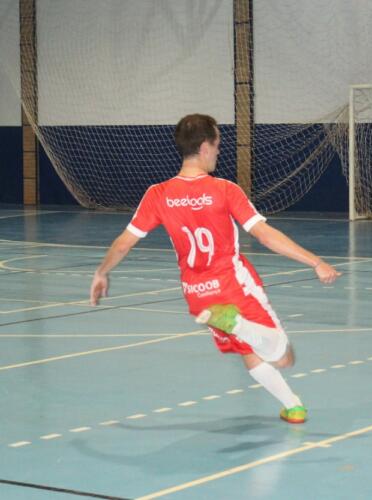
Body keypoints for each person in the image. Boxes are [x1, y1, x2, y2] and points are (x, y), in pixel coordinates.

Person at [89, 114, 340, 424]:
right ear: (205, 146)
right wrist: (315, 261)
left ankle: (293, 406)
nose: (219, 151)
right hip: (233, 284)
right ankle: (242, 325)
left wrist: (102, 272)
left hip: (198, 295)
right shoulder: (224, 189)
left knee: (249, 352)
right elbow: (263, 234)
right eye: (218, 145)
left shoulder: (158, 194)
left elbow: (123, 243)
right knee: (283, 356)